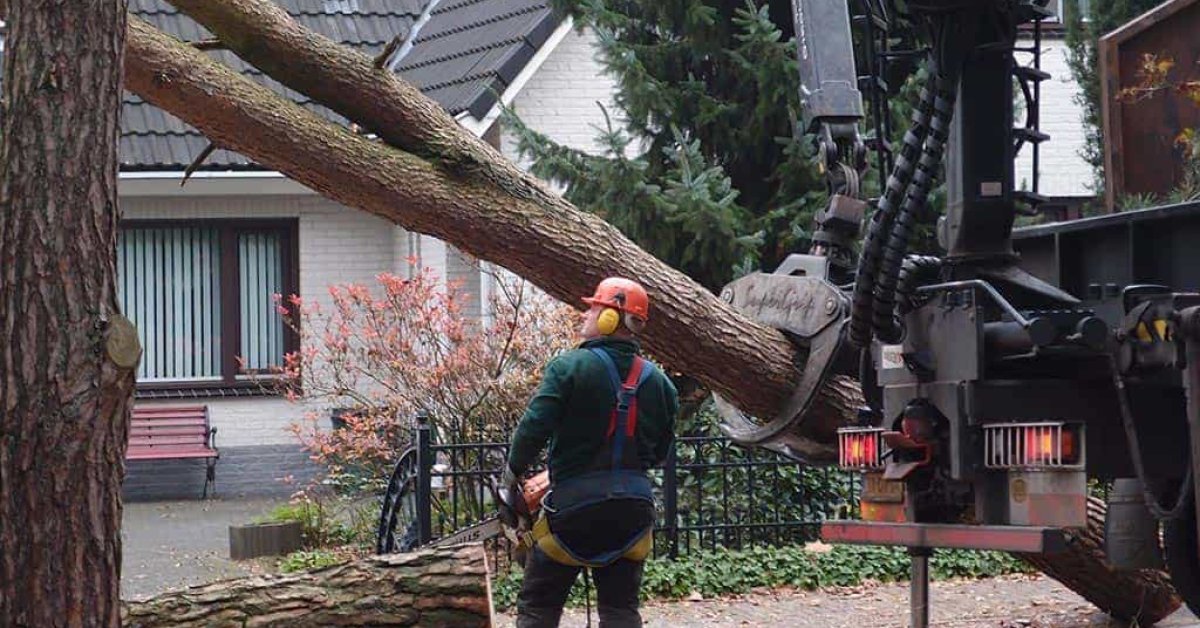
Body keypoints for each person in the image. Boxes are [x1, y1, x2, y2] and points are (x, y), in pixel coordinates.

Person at [502, 277, 679, 628]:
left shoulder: (568, 368)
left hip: (572, 514)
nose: (586, 313)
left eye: (594, 308)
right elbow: (659, 453)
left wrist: (511, 474)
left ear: (613, 318)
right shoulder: (662, 384)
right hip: (633, 513)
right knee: (620, 609)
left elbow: (534, 427)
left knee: (538, 604)